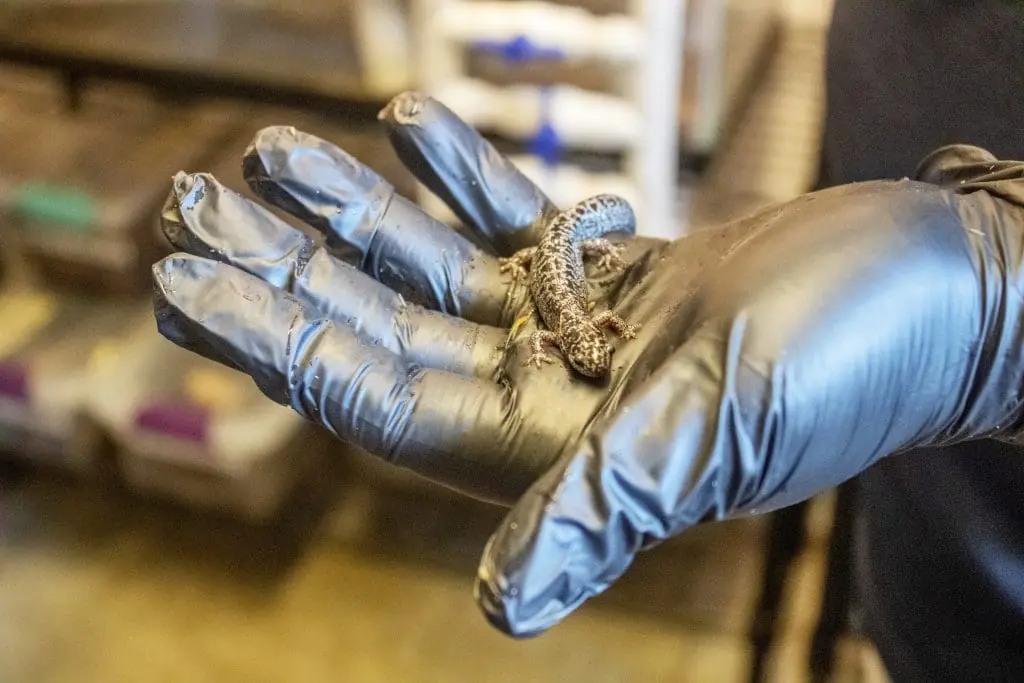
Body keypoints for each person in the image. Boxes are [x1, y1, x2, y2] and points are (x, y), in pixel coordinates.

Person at [151, 3, 1024, 678]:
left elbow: (575, 331)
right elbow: (567, 297)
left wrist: (1004, 299)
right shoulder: (582, 324)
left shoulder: (588, 336)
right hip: (922, 559)